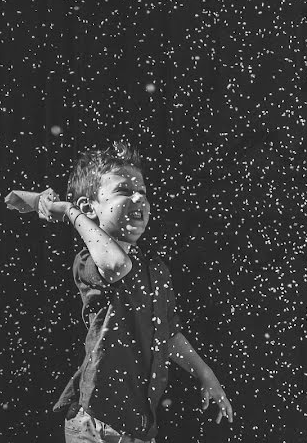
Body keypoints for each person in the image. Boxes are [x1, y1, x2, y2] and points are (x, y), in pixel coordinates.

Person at [39, 141, 234, 443]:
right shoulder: (89, 261)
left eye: (142, 191)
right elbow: (116, 265)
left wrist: (206, 375)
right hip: (96, 420)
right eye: (123, 190)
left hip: (138, 423)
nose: (139, 197)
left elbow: (168, 334)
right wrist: (70, 212)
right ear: (90, 207)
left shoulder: (156, 269)